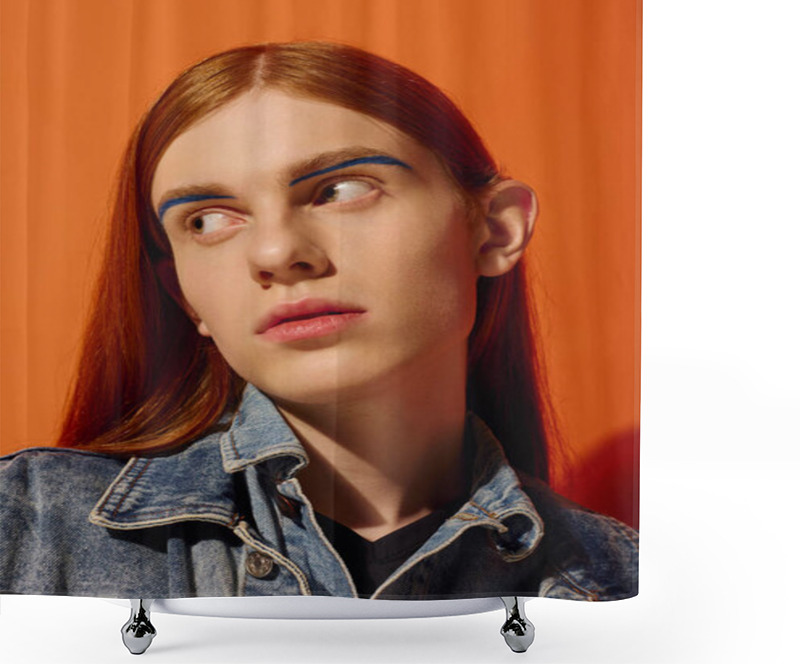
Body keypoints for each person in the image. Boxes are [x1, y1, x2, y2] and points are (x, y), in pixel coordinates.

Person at [0, 41, 638, 600]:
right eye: (209, 220)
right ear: (187, 297)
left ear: (495, 230)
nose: (276, 254)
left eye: (340, 189)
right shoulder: (22, 525)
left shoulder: (622, 581)